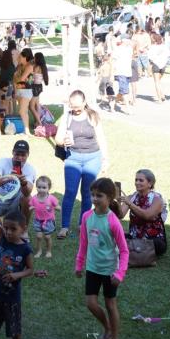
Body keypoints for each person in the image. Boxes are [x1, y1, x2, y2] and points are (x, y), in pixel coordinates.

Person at [75, 178, 129, 339]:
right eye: (93, 195)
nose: (95, 199)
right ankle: (107, 328)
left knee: (110, 304)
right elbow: (83, 242)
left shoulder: (113, 222)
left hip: (109, 271)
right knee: (91, 303)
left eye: (100, 195)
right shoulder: (86, 217)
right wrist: (79, 264)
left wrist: (119, 273)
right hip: (92, 268)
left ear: (110, 197)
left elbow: (124, 250)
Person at [56, 90, 109, 239]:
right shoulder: (67, 116)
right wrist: (63, 141)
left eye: (78, 106)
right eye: (73, 106)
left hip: (92, 158)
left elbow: (101, 138)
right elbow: (58, 139)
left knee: (87, 193)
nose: (76, 110)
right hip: (73, 158)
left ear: (85, 103)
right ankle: (64, 226)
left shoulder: (92, 116)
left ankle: (82, 224)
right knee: (70, 192)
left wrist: (105, 159)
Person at [0, 210, 34, 339]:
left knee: (14, 326)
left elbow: (30, 270)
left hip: (11, 296)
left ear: (24, 229)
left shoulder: (25, 249)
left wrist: (16, 275)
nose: (8, 232)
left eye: (13, 229)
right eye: (6, 228)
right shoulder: (3, 238)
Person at [117, 169, 168, 257]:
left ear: (150, 183)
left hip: (153, 240)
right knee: (113, 236)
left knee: (153, 245)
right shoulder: (132, 197)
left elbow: (147, 215)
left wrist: (130, 204)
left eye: (141, 180)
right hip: (135, 237)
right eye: (136, 180)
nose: (137, 182)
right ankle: (131, 248)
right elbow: (120, 215)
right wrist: (115, 203)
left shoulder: (157, 199)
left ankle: (129, 249)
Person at [30, 175, 58, 258]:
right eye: (39, 187)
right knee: (38, 236)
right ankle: (39, 251)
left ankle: (48, 251)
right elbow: (31, 205)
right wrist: (30, 208)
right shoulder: (34, 198)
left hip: (48, 221)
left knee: (47, 237)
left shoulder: (51, 198)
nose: (41, 189)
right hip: (38, 220)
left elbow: (57, 205)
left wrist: (57, 208)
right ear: (36, 187)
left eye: (44, 187)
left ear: (48, 188)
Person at [13, 48, 35, 134]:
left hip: (26, 91)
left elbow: (21, 79)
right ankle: (26, 131)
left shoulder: (29, 66)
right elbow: (15, 79)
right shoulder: (20, 66)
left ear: (25, 57)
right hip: (19, 91)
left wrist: (16, 80)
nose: (19, 58)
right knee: (24, 111)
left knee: (22, 111)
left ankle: (27, 131)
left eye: (20, 57)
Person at [111, 34, 134, 113]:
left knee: (122, 91)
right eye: (128, 40)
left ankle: (113, 104)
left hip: (127, 72)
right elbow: (113, 61)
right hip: (120, 72)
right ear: (123, 41)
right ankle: (128, 110)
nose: (129, 41)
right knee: (125, 91)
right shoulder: (117, 49)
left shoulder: (130, 49)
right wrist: (112, 73)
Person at [148, 33, 170, 102]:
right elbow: (168, 56)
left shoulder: (152, 47)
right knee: (159, 81)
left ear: (154, 39)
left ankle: (159, 98)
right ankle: (162, 95)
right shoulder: (164, 46)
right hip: (163, 65)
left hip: (156, 64)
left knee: (156, 82)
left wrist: (149, 68)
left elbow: (150, 59)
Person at [30, 52, 48, 124]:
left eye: (35, 57)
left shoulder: (37, 67)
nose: (34, 59)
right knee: (37, 105)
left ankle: (39, 123)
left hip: (35, 87)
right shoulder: (43, 66)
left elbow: (31, 75)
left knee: (31, 106)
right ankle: (36, 122)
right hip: (39, 86)